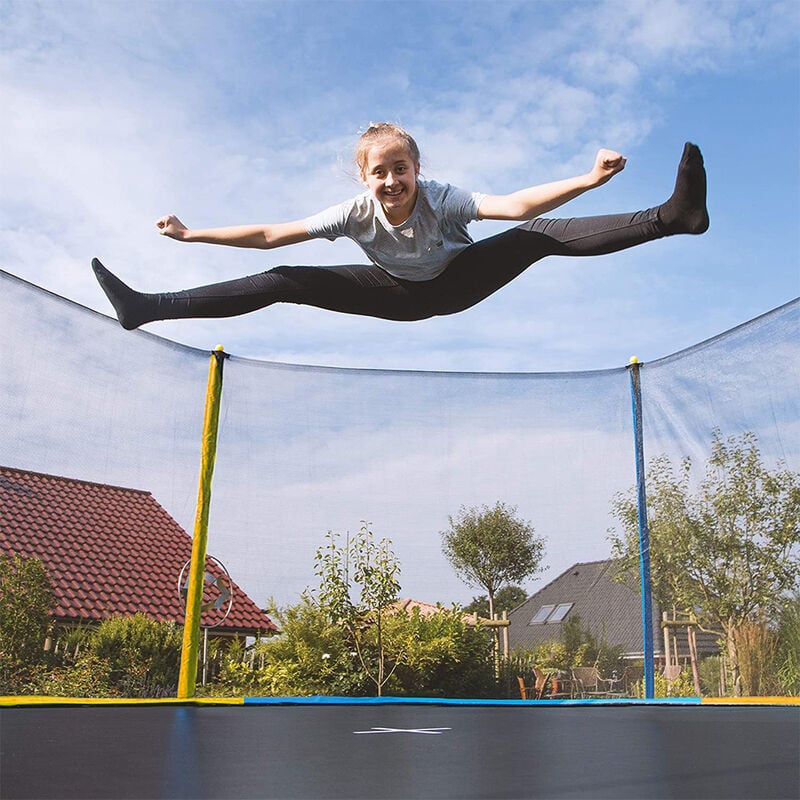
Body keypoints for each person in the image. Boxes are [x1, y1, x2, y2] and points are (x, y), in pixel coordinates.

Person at [92, 122, 708, 330]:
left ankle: (670, 218)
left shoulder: (442, 199)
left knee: (532, 238)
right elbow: (271, 234)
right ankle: (150, 307)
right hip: (398, 296)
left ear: (418, 169)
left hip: (457, 282)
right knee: (284, 276)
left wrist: (587, 179)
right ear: (364, 178)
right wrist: (191, 234)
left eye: (401, 169)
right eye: (380, 173)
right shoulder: (352, 213)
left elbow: (519, 206)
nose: (392, 182)